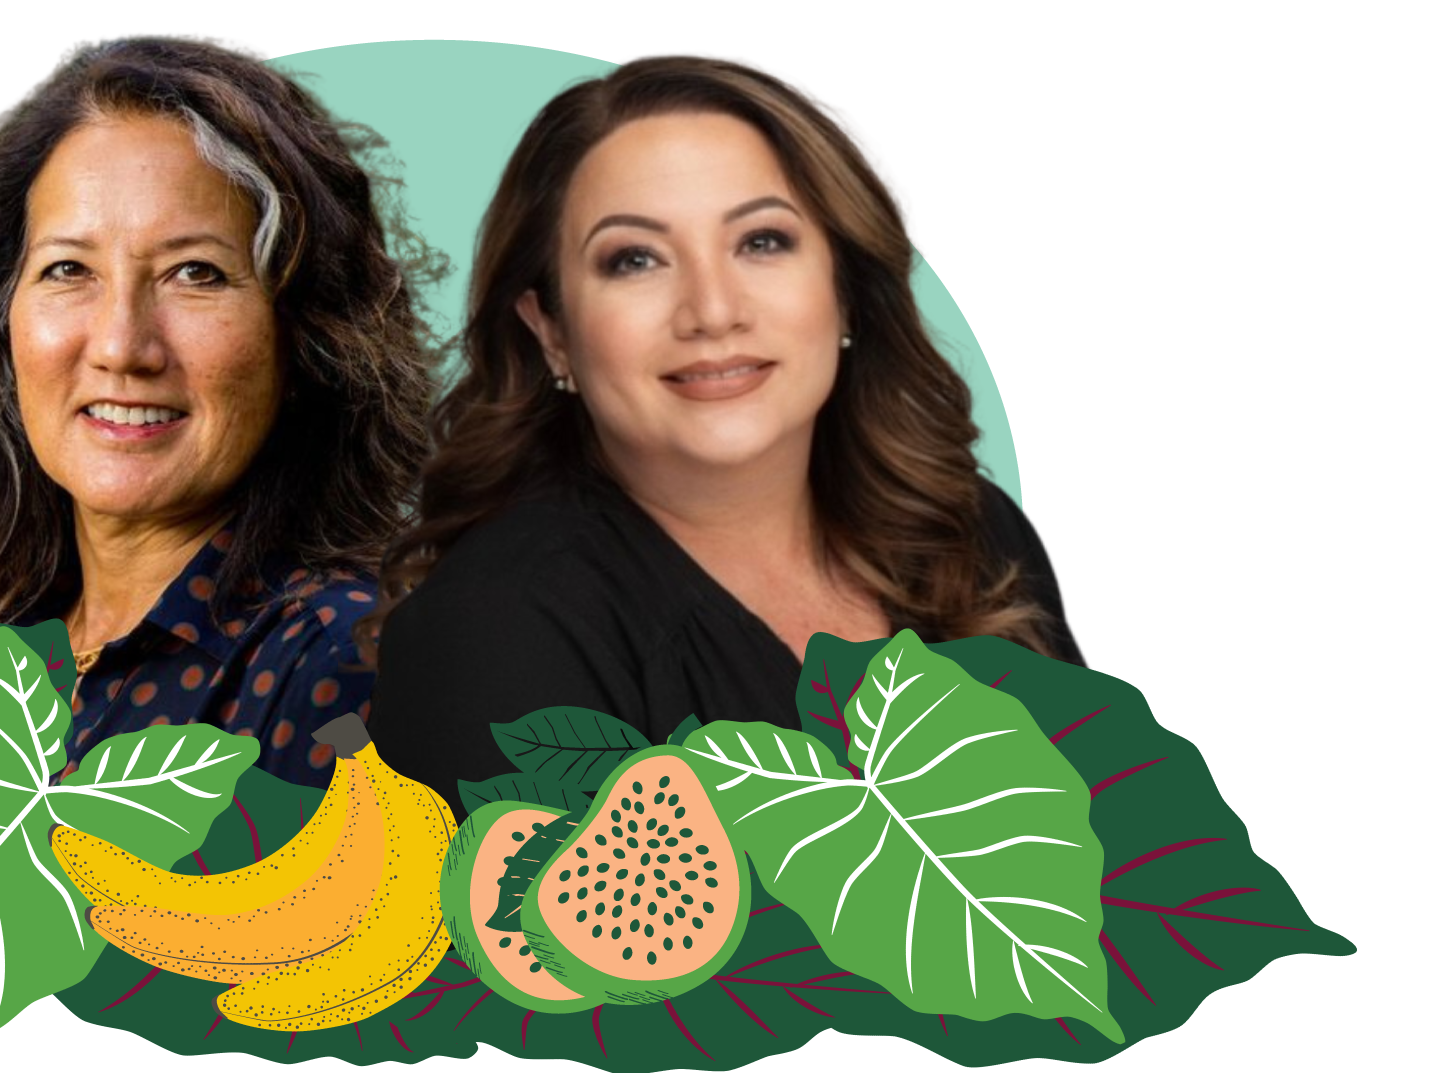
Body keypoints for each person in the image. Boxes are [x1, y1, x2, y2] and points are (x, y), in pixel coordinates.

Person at [360, 52, 1089, 821]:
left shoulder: (967, 526)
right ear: (553, 334)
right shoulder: (489, 630)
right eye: (634, 260)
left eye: (762, 242)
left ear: (845, 287)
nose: (712, 310)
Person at [0, 33, 439, 788]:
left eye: (197, 273)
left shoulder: (344, 664)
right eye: (68, 269)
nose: (123, 347)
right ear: (2, 328)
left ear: (307, 337)